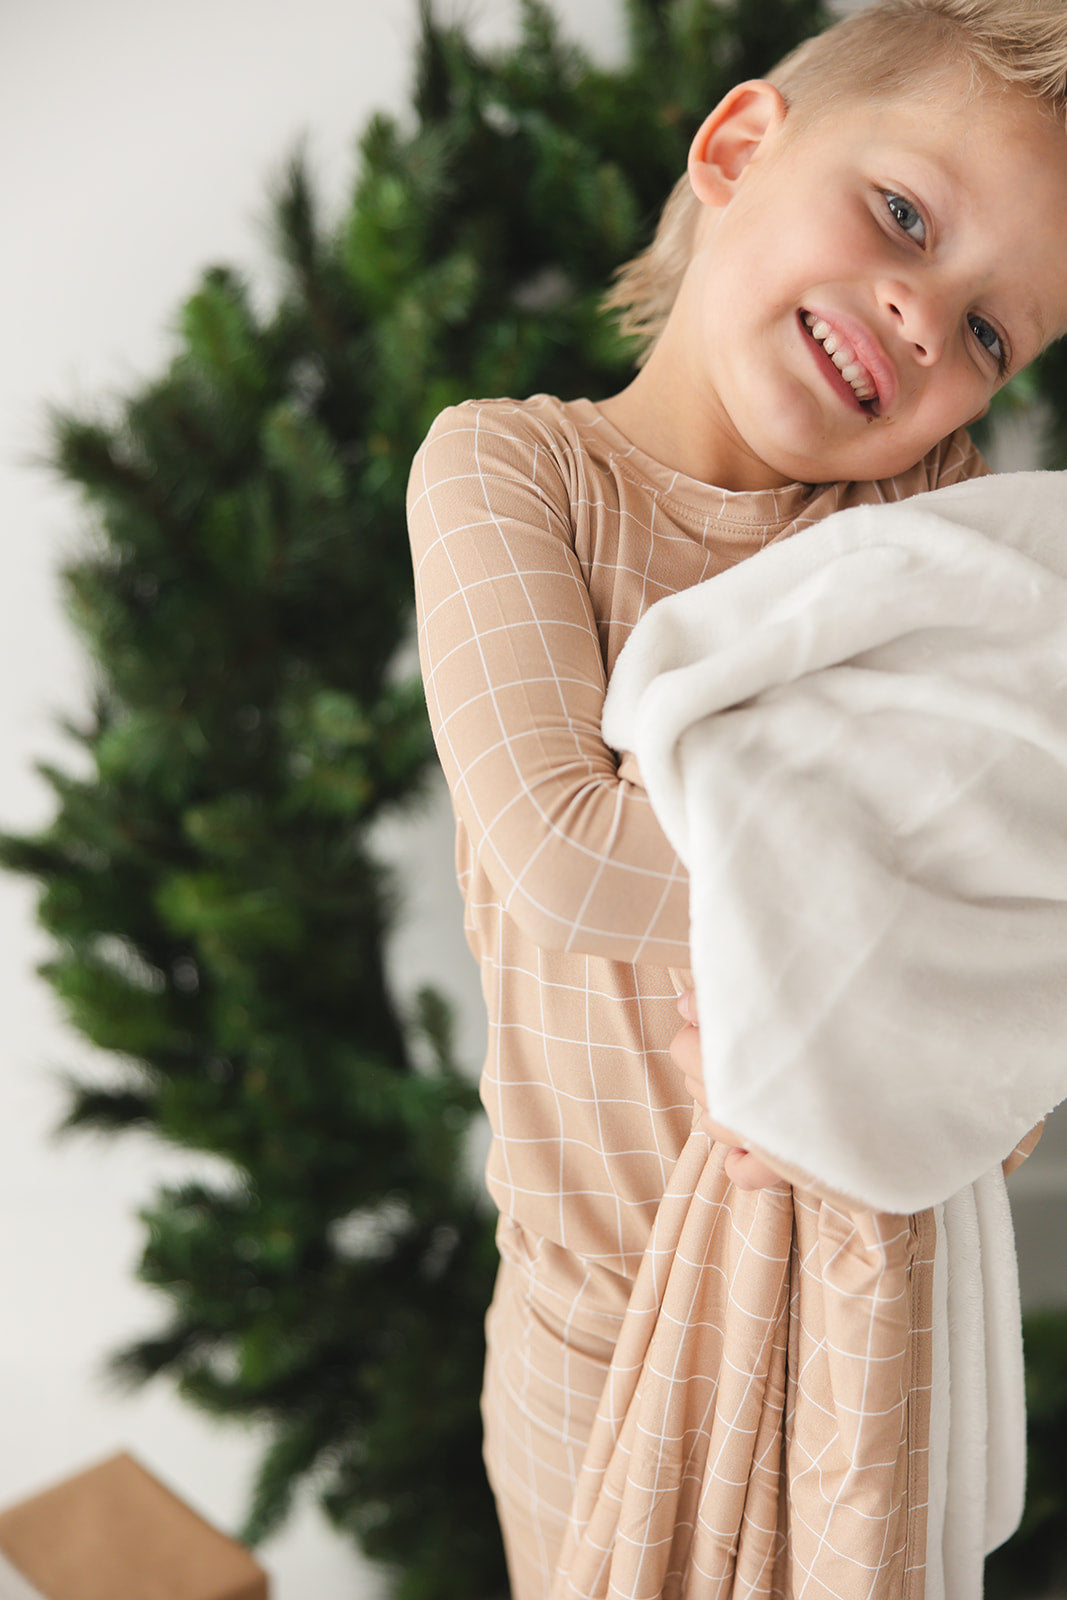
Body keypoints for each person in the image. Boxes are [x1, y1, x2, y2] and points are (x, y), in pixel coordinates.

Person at [406, 3, 1067, 1595]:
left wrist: (925, 1052)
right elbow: (563, 852)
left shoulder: (919, 539)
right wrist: (834, 974)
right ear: (736, 148)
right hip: (594, 1325)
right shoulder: (516, 476)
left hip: (846, 1308)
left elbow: (1003, 895)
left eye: (990, 335)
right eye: (904, 215)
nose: (924, 320)